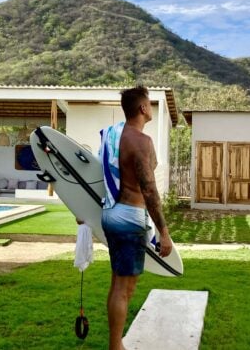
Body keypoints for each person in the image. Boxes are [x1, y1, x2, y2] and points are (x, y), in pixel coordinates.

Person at [100, 86, 173, 350]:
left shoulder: (111, 137)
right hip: (130, 217)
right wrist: (163, 232)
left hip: (110, 214)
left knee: (117, 282)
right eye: (150, 104)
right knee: (125, 288)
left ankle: (114, 343)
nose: (151, 108)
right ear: (142, 108)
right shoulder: (141, 142)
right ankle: (116, 346)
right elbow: (149, 189)